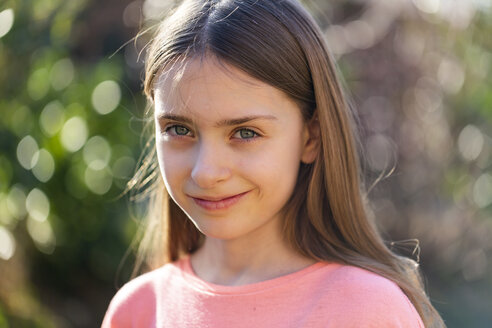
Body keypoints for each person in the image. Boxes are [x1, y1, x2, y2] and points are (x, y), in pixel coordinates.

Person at [102, 0, 445, 327]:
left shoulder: (368, 311)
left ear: (311, 138)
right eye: (179, 129)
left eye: (246, 133)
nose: (205, 172)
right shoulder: (136, 311)